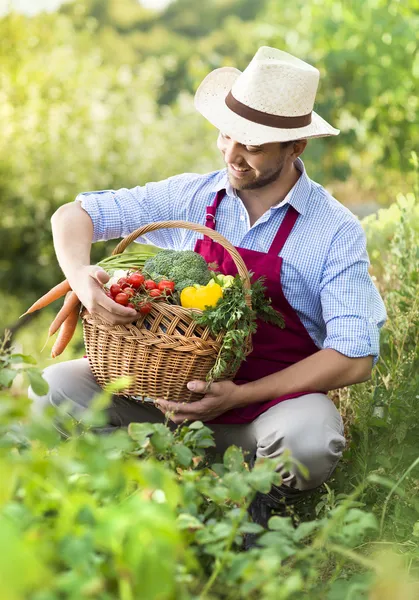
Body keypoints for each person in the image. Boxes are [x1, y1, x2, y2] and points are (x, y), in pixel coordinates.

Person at [29, 47, 386, 529]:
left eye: (253, 146)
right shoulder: (191, 196)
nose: (232, 155)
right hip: (166, 399)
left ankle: (254, 510)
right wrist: (80, 276)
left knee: (310, 440)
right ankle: (127, 490)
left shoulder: (333, 231)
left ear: (296, 146)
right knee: (53, 389)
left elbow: (355, 355)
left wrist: (238, 396)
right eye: (227, 135)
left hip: (260, 413)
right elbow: (75, 214)